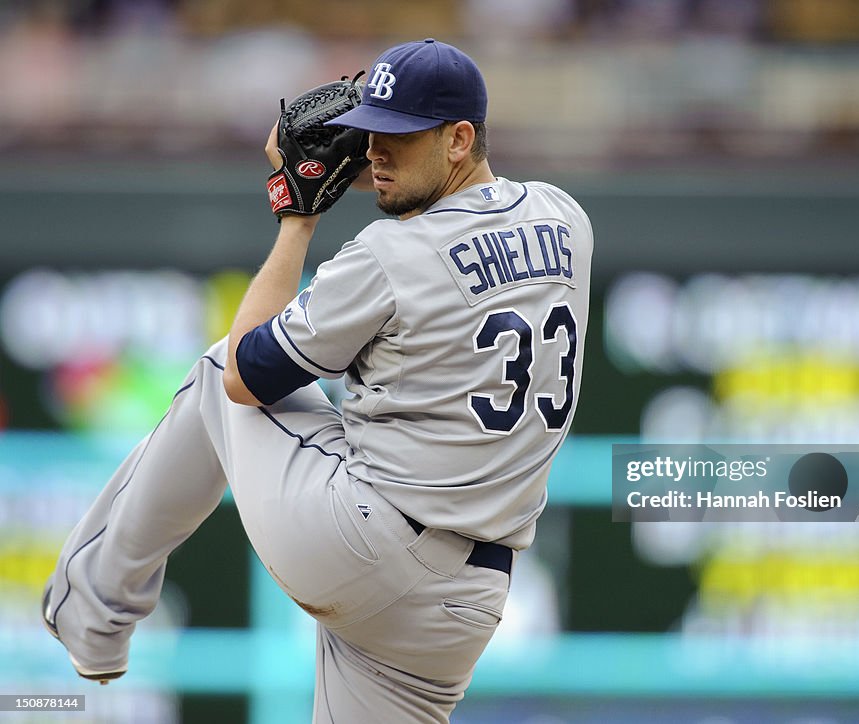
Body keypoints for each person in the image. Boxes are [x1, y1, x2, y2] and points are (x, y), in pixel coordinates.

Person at [41, 38, 593, 723]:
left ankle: (91, 615)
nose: (375, 154)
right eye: (370, 137)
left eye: (398, 137)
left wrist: (297, 214)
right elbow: (449, 210)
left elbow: (247, 376)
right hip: (465, 605)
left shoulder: (390, 256)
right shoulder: (566, 219)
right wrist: (353, 167)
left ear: (459, 138)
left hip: (365, 546)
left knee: (218, 365)